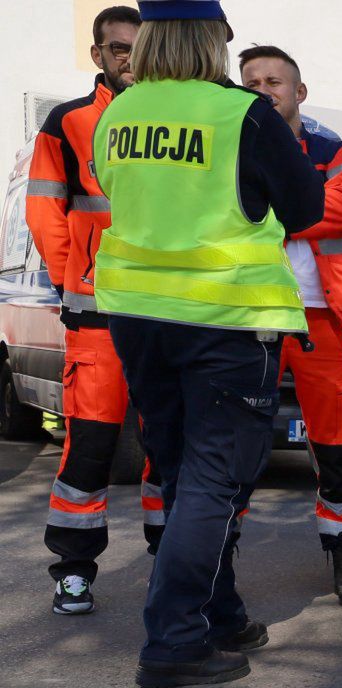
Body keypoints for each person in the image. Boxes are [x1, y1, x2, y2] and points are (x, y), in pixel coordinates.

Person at [92, 0, 325, 688]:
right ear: (212, 41)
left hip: (138, 317)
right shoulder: (240, 114)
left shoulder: (118, 113)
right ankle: (172, 642)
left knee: (184, 474)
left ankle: (219, 615)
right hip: (226, 319)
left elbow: (115, 189)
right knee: (214, 481)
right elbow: (306, 207)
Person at [26, 5, 164, 616]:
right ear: (98, 56)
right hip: (97, 311)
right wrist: (72, 280)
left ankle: (172, 560)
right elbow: (45, 211)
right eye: (116, 49)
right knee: (90, 445)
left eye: (138, 47)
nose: (128, 58)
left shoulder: (177, 116)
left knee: (170, 441)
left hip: (165, 309)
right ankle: (74, 570)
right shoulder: (68, 122)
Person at [240, 45, 342, 607]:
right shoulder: (229, 149)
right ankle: (216, 567)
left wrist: (272, 211)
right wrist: (301, 207)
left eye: (275, 80)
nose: (262, 88)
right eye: (250, 81)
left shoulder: (332, 150)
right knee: (235, 446)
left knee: (336, 440)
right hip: (248, 317)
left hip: (319, 317)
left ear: (300, 93)